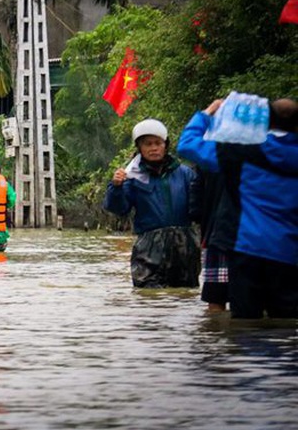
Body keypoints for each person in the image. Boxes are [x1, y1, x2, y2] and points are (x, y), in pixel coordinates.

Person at [177, 97, 298, 319]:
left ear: (266, 122)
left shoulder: (242, 154)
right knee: (287, 325)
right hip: (289, 253)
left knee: (245, 324)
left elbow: (187, 144)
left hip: (247, 250)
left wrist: (207, 112)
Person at [103, 118, 200, 288]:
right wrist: (116, 187)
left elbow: (200, 208)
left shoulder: (185, 174)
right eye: (148, 144)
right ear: (140, 148)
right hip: (148, 247)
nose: (154, 148)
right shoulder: (131, 176)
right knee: (148, 297)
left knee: (185, 296)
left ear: (166, 145)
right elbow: (120, 209)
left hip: (185, 247)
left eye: (158, 143)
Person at [193, 167, 229, 312]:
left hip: (219, 231)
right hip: (217, 232)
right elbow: (196, 193)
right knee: (215, 295)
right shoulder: (209, 157)